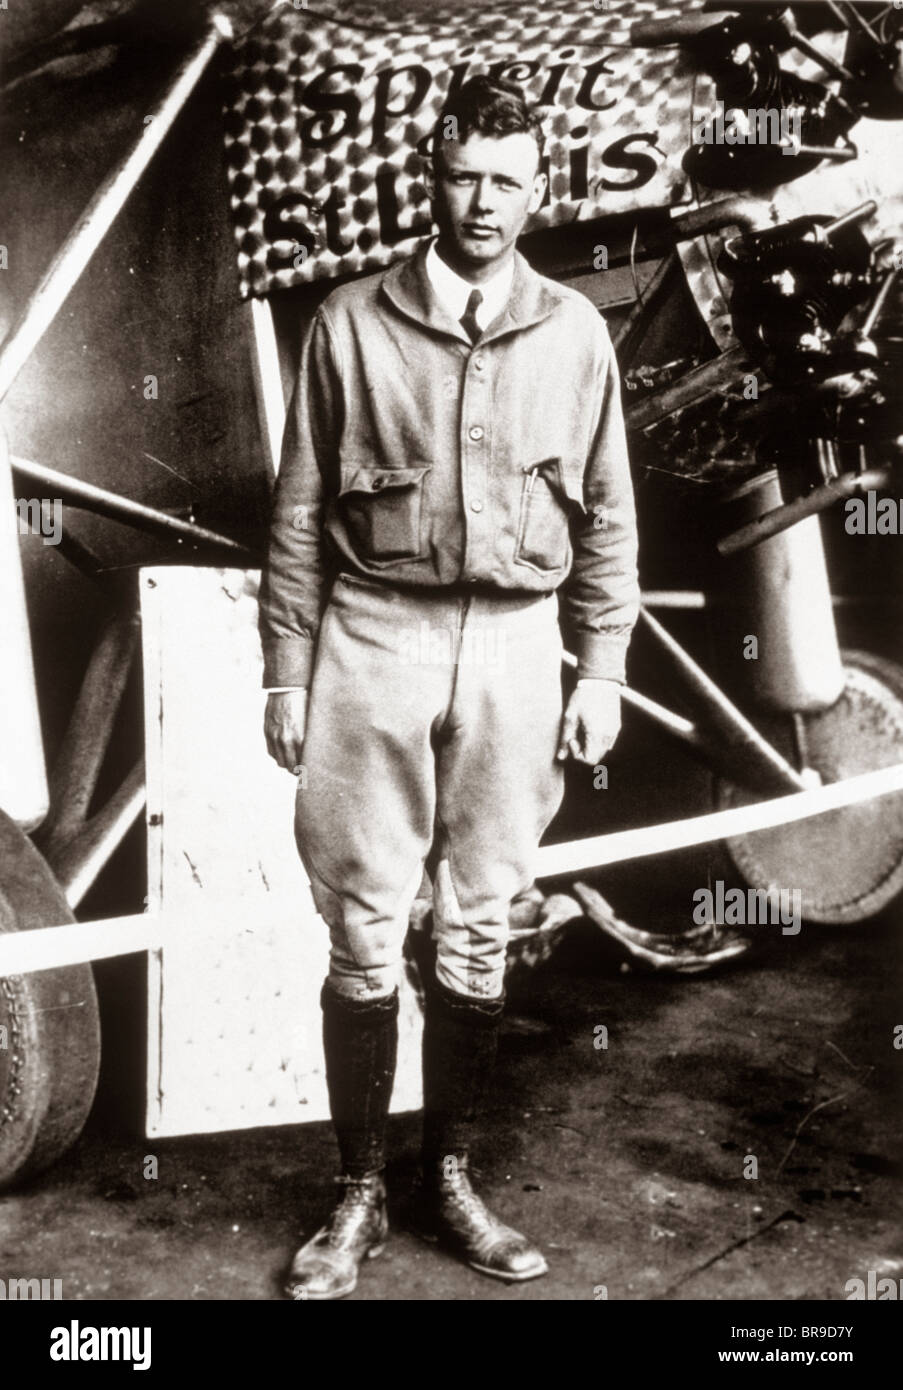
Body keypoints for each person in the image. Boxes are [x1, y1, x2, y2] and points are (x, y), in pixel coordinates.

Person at [259, 74, 639, 1299]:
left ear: (541, 189)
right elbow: (301, 518)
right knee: (366, 930)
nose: (485, 202)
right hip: (375, 640)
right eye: (466, 174)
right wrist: (285, 674)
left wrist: (603, 669)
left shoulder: (576, 333)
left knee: (481, 922)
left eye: (509, 181)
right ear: (433, 173)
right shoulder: (348, 321)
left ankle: (454, 1177)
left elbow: (614, 522)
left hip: (520, 645)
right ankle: (359, 1192)